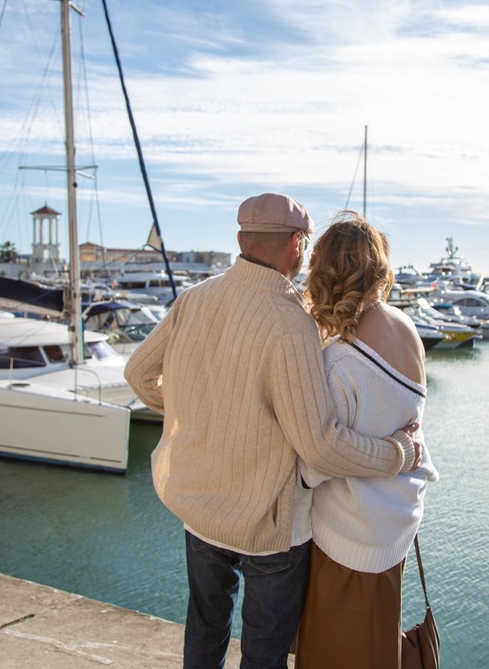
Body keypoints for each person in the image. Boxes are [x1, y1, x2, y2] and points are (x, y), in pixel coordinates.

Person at [124, 193, 421, 669]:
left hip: (200, 509)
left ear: (241, 239)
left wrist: (195, 413)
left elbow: (138, 374)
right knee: (264, 654)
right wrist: (398, 454)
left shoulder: (194, 298)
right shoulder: (291, 323)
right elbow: (319, 446)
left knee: (204, 630)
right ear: (297, 244)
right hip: (269, 527)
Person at [295, 212, 439, 669]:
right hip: (397, 521)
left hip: (350, 532)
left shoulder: (338, 360)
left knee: (332, 654)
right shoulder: (407, 329)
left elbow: (315, 463)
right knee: (375, 645)